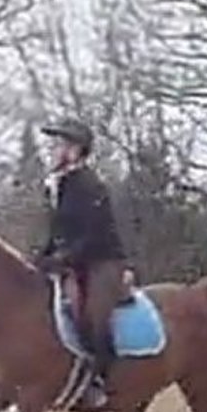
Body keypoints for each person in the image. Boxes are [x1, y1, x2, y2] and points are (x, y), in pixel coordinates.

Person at [35, 117, 128, 394]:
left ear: (75, 150)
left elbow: (94, 234)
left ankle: (104, 378)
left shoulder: (90, 185)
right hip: (74, 262)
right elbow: (58, 231)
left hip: (103, 261)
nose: (52, 150)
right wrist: (43, 257)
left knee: (93, 314)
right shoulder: (59, 185)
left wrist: (65, 258)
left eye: (59, 144)